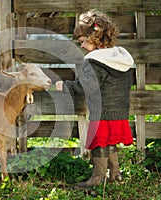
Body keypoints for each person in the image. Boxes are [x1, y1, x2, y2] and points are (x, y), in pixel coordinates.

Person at [56, 9, 134, 188]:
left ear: (95, 37)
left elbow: (86, 87)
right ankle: (116, 175)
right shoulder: (120, 58)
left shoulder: (95, 61)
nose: (82, 46)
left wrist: (65, 86)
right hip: (119, 111)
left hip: (102, 112)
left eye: (83, 41)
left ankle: (98, 179)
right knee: (110, 142)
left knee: (99, 144)